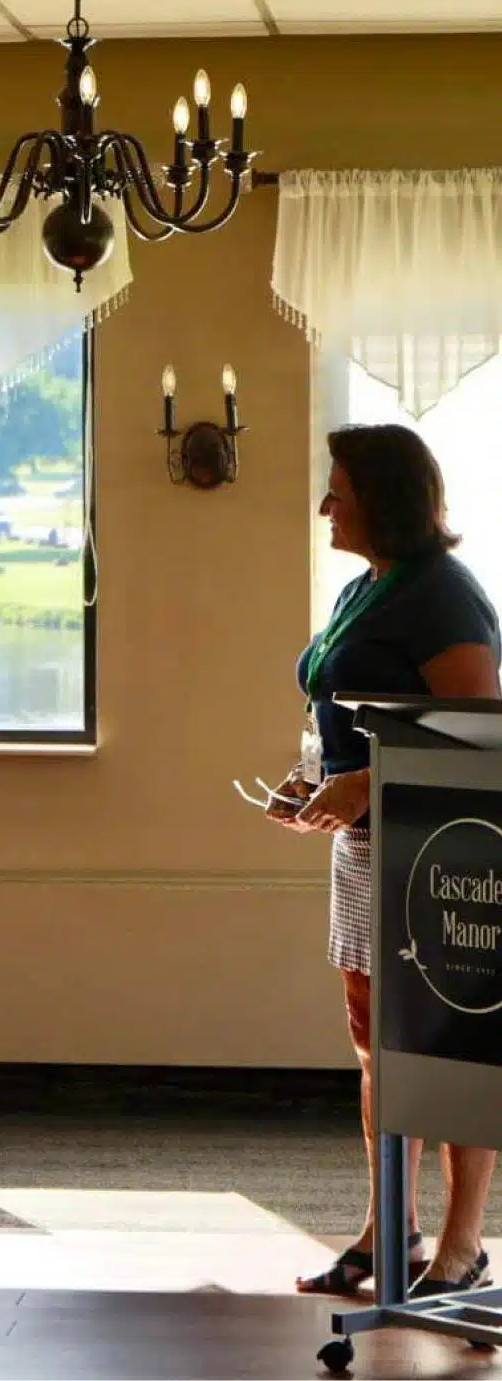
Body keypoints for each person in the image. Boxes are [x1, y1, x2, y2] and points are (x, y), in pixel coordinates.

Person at [273, 425, 501, 1300]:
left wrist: (367, 780)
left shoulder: (445, 595)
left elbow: (477, 734)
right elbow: (335, 707)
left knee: (446, 1046)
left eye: (338, 488)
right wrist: (310, 783)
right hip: (366, 853)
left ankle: (461, 1241)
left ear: (384, 496)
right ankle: (387, 1230)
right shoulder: (364, 588)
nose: (325, 505)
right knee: (377, 1050)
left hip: (438, 853)